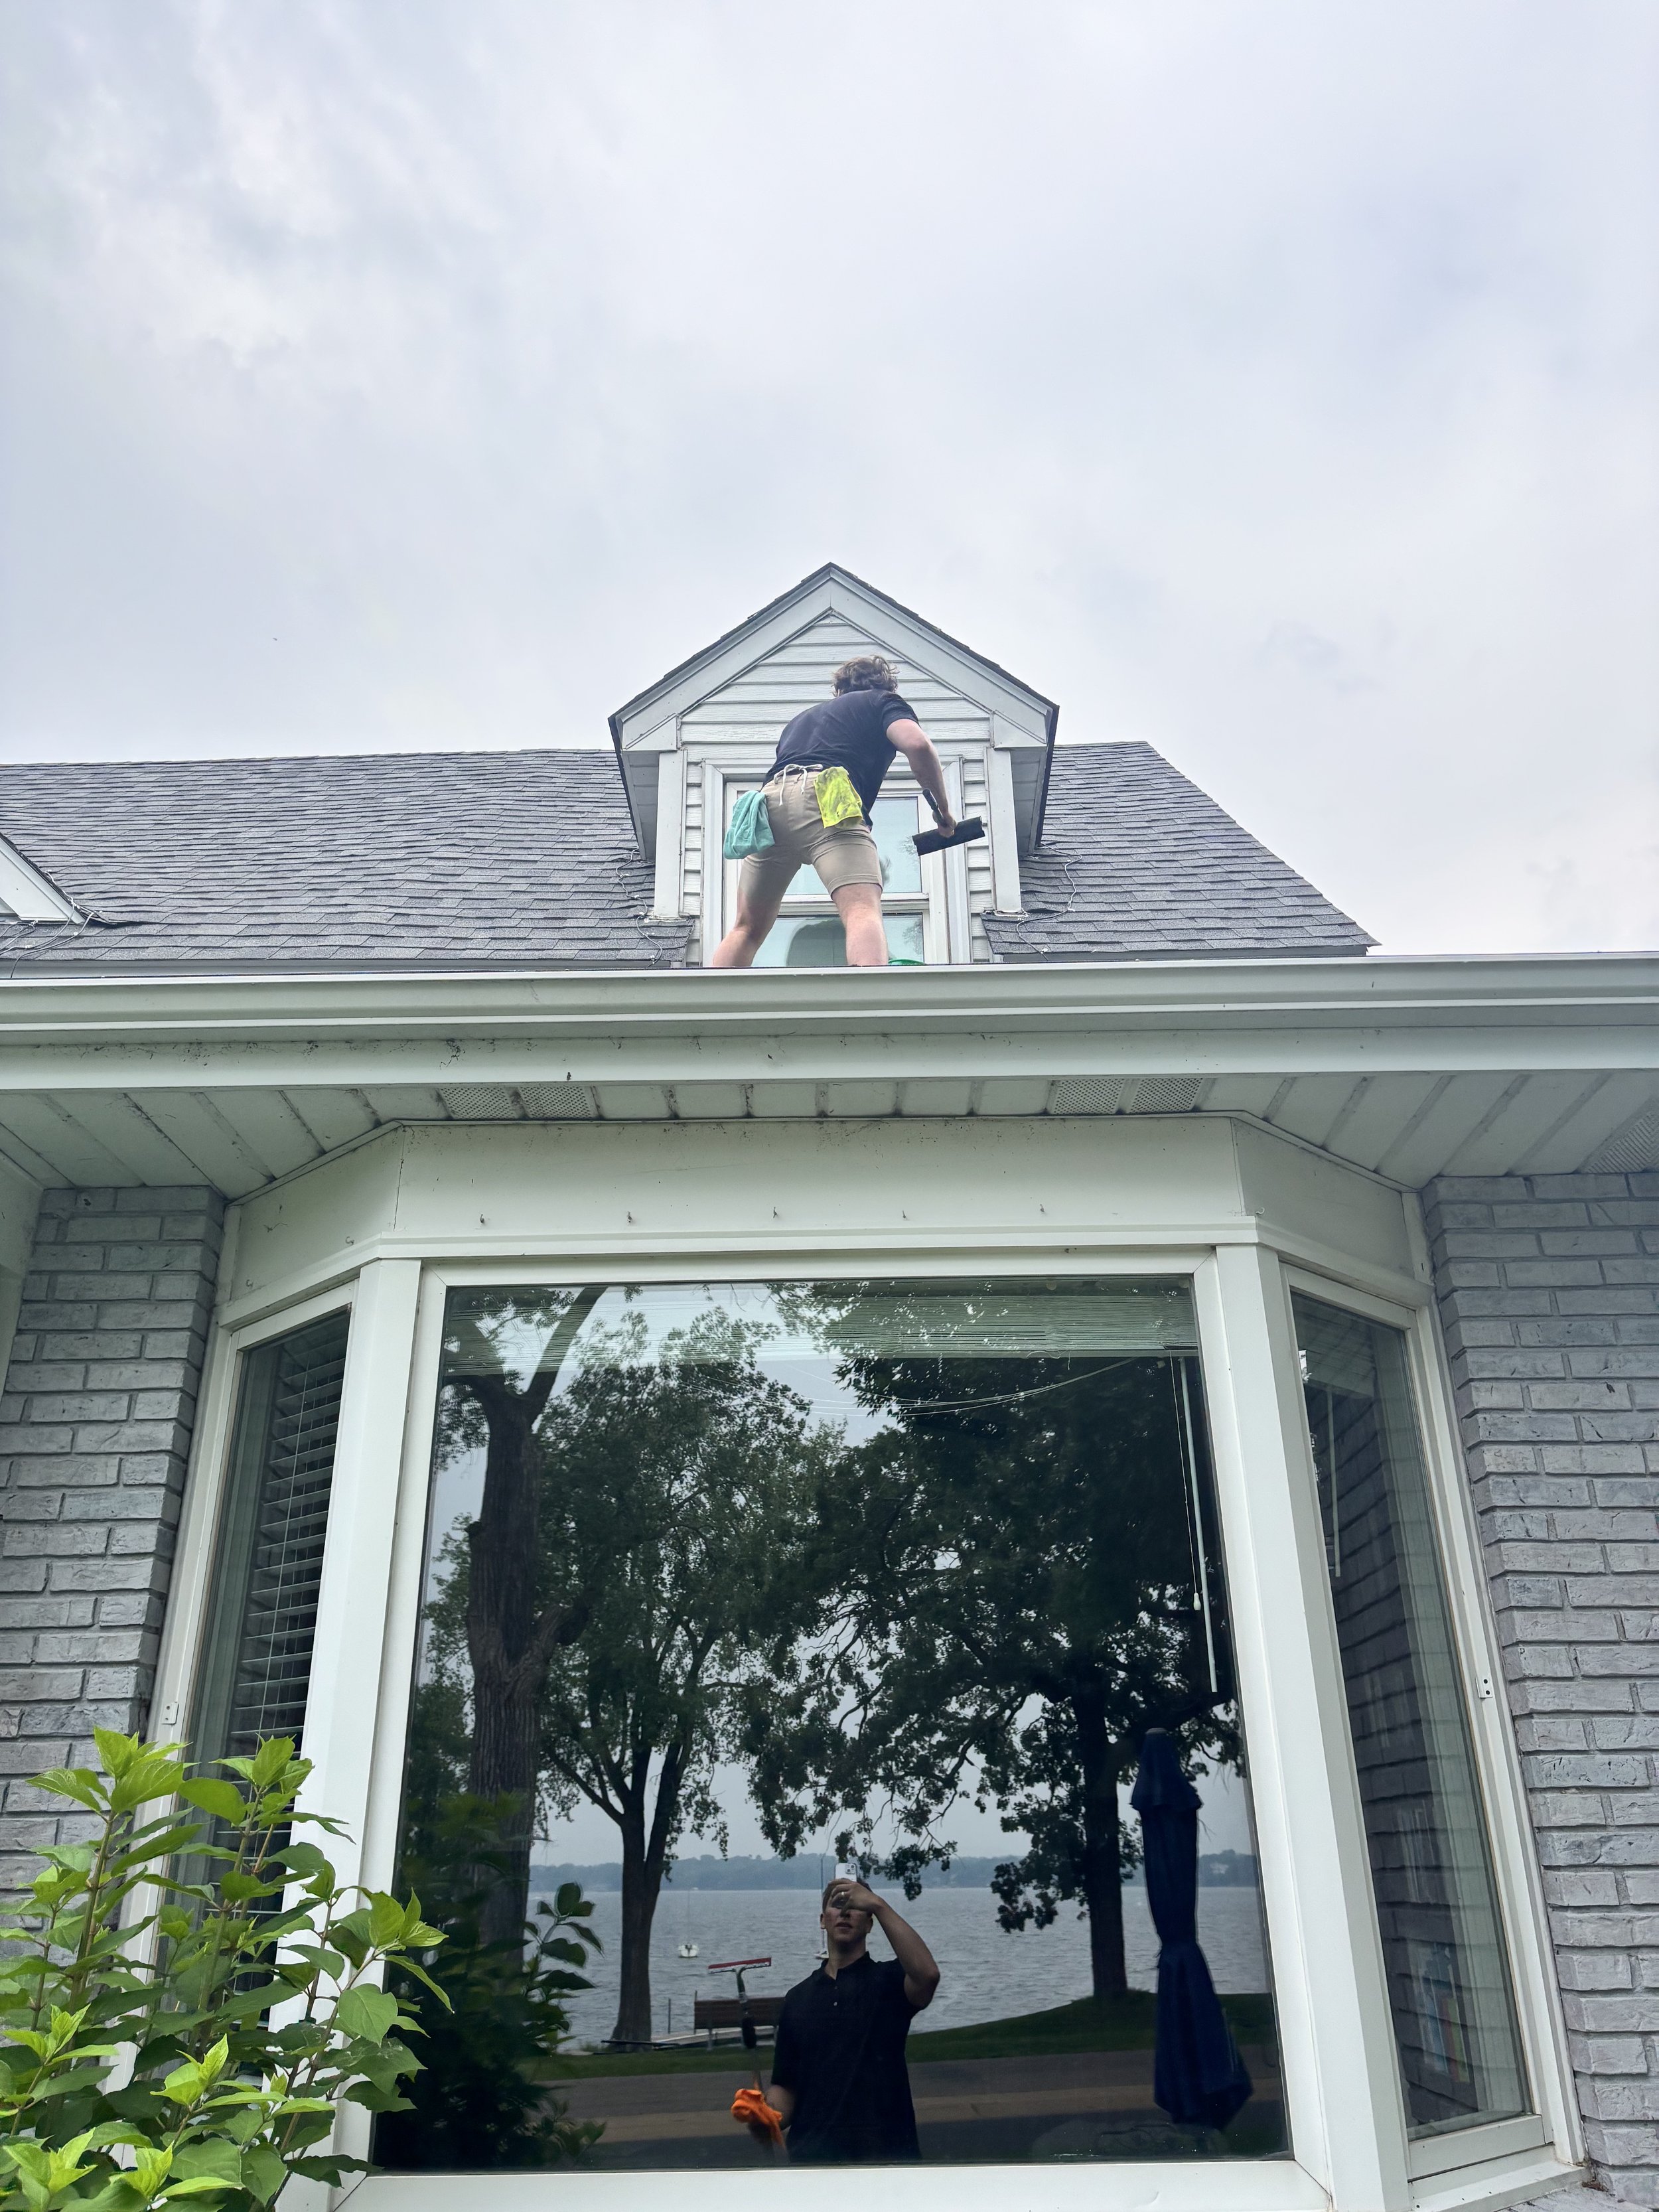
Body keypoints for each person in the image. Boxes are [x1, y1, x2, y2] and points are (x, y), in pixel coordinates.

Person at [711, 656, 956, 969]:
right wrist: (943, 811)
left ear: (838, 690)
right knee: (861, 910)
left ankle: (707, 1012)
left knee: (746, 928)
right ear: (888, 685)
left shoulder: (801, 720)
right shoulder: (883, 702)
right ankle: (871, 1008)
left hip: (767, 804)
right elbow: (917, 745)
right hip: (825, 796)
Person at [751, 1876, 940, 2164]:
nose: (846, 1912)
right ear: (823, 1920)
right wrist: (766, 2114)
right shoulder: (797, 1998)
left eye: (855, 1905)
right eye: (838, 1904)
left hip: (887, 2158)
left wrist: (878, 1904)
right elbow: (786, 2085)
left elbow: (928, 1975)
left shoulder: (890, 1982)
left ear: (869, 1923)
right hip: (813, 2161)